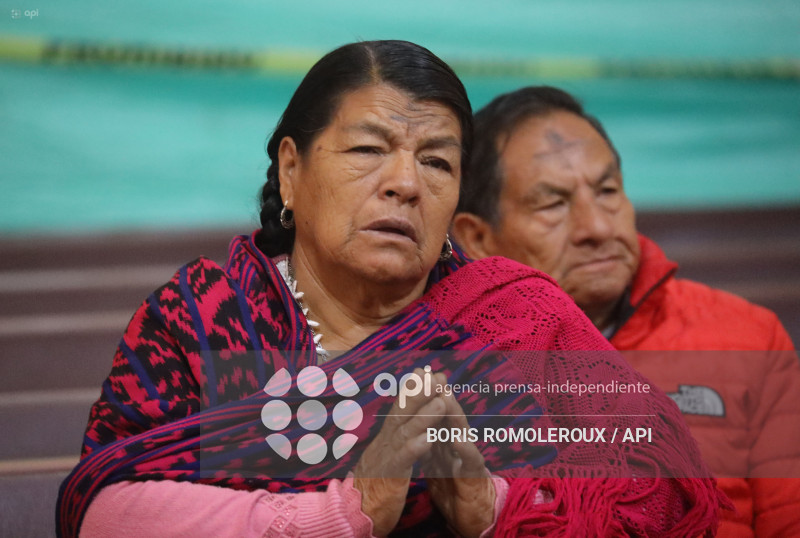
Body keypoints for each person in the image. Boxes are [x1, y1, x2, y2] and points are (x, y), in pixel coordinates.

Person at [57, 44, 724, 538]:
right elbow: (106, 509)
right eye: (368, 150)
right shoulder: (204, 316)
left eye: (436, 161)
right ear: (291, 171)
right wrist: (347, 513)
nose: (405, 183)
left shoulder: (517, 315)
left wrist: (492, 507)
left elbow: (667, 497)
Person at [453, 85, 800, 537]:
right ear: (477, 239)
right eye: (553, 203)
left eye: (608, 190)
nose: (597, 227)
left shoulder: (749, 336)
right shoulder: (448, 367)